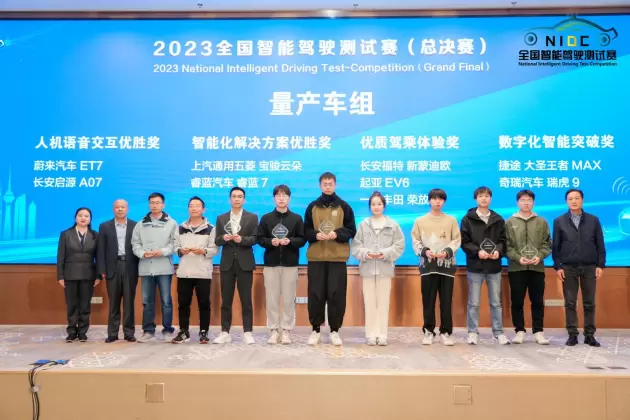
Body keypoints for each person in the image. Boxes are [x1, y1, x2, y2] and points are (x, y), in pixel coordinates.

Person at [304, 172, 357, 346]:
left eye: (330, 183)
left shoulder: (344, 206)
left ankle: (335, 330)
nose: (328, 186)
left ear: (335, 185)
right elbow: (305, 231)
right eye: (325, 184)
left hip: (337, 258)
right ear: (320, 186)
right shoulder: (312, 207)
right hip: (316, 258)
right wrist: (314, 235)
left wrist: (338, 233)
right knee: (316, 294)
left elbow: (351, 230)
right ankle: (315, 330)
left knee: (336, 295)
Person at [552, 188, 606, 347]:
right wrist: (558, 267)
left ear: (582, 200)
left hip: (590, 267)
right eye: (570, 199)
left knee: (589, 302)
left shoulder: (593, 220)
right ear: (566, 202)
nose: (574, 201)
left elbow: (600, 244)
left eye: (577, 198)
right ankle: (572, 334)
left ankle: (589, 335)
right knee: (570, 302)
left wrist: (600, 265)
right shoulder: (559, 221)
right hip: (568, 267)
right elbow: (556, 246)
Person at [351, 191, 405, 346]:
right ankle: (370, 335)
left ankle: (382, 335)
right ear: (370, 206)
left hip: (385, 268)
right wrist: (366, 254)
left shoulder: (392, 225)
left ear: (384, 206)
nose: (376, 207)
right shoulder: (363, 225)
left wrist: (385, 253)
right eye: (373, 204)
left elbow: (399, 245)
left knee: (383, 302)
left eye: (379, 204)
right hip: (368, 268)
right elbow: (356, 246)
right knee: (369, 302)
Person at [257, 185, 306, 345]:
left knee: (288, 299)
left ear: (289, 198)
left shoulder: (296, 218)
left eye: (284, 195)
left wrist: (289, 241)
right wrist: (270, 242)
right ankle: (273, 330)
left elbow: (302, 239)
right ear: (274, 198)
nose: (281, 198)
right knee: (271, 299)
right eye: (278, 195)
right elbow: (260, 239)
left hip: (290, 265)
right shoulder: (266, 218)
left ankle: (286, 330)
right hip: (271, 265)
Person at [411, 188, 461, 346]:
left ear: (444, 201)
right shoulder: (420, 221)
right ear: (429, 200)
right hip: (428, 266)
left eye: (440, 199)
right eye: (434, 198)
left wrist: (446, 252)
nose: (437, 201)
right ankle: (428, 331)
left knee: (446, 301)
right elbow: (415, 240)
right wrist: (425, 251)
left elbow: (456, 240)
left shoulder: (451, 220)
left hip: (446, 266)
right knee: (428, 300)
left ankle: (445, 332)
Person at [461, 186, 510, 345]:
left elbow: (503, 241)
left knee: (496, 302)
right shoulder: (467, 219)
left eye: (487, 196)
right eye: (481, 196)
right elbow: (464, 242)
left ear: (491, 199)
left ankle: (498, 332)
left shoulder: (498, 219)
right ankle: (472, 332)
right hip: (475, 266)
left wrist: (498, 251)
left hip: (494, 266)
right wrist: (477, 252)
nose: (484, 198)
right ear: (476, 199)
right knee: (474, 302)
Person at [213, 187, 259, 345]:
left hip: (245, 262)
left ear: (244, 199)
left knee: (246, 300)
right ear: (229, 199)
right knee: (226, 300)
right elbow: (217, 240)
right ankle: (225, 332)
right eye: (234, 196)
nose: (237, 199)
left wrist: (242, 240)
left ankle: (248, 332)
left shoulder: (252, 217)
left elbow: (255, 239)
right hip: (227, 263)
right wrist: (224, 238)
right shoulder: (221, 218)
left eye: (240, 196)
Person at [505, 190, 552, 345]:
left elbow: (547, 244)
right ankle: (519, 331)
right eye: (523, 200)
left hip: (536, 268)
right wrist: (518, 258)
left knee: (537, 301)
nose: (526, 203)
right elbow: (506, 245)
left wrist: (540, 256)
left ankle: (538, 331)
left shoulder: (542, 222)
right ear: (517, 202)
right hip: (516, 268)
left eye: (529, 200)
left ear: (533, 202)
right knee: (517, 301)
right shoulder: (509, 222)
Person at [131, 192, 178, 343]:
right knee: (147, 301)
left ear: (163, 205)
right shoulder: (140, 224)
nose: (154, 205)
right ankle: (148, 331)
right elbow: (135, 243)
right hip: (146, 267)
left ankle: (168, 330)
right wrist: (142, 253)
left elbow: (175, 243)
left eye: (157, 202)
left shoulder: (172, 223)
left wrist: (162, 251)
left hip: (164, 267)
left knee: (166, 301)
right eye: (152, 202)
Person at [172, 196, 219, 344]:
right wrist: (180, 250)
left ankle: (203, 331)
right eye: (191, 205)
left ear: (203, 209)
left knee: (204, 304)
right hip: (184, 271)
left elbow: (214, 249)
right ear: (188, 208)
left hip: (202, 272)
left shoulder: (211, 229)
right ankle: (183, 331)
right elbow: (174, 246)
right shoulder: (180, 227)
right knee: (183, 304)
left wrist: (204, 251)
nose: (194, 208)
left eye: (197, 206)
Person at [97, 199, 139, 343]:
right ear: (113, 209)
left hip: (130, 267)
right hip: (112, 268)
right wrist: (101, 269)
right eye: (117, 207)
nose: (120, 209)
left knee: (129, 302)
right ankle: (112, 333)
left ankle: (129, 333)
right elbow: (100, 249)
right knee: (113, 302)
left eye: (122, 207)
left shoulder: (135, 225)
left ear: (127, 209)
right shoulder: (105, 226)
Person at [56, 207, 100, 342]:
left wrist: (98, 275)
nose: (83, 218)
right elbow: (60, 257)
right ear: (75, 218)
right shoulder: (66, 234)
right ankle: (71, 331)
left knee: (85, 305)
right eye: (80, 215)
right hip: (70, 274)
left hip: (88, 275)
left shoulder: (95, 235)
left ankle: (82, 332)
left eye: (86, 216)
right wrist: (60, 275)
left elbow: (98, 257)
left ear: (90, 219)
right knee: (72, 305)